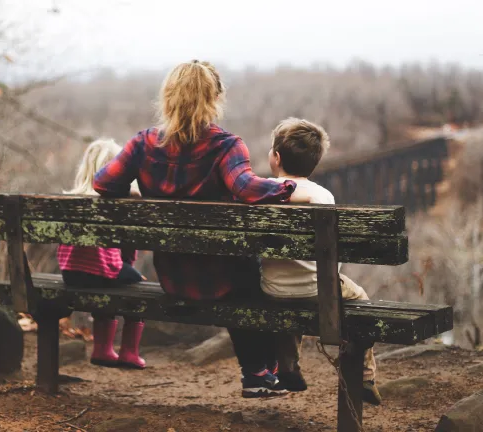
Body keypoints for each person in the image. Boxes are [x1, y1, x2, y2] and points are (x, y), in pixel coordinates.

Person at [93, 60, 296, 398]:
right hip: (224, 279)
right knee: (249, 271)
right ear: (215, 98)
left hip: (173, 277)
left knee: (241, 269)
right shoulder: (226, 146)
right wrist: (287, 187)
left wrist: (133, 192)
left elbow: (103, 183)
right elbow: (246, 188)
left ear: (168, 98)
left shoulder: (143, 144)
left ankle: (261, 372)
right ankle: (259, 372)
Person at [261, 117, 382, 405]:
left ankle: (288, 366)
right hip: (319, 290)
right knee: (361, 298)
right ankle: (365, 374)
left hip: (272, 289)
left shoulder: (262, 192)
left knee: (288, 300)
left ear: (276, 158)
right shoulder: (323, 196)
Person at [57, 139, 147, 369]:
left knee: (108, 279)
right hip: (103, 272)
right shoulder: (117, 201)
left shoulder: (71, 200)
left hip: (70, 274)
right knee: (138, 286)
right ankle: (128, 352)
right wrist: (129, 267)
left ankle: (103, 349)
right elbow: (127, 247)